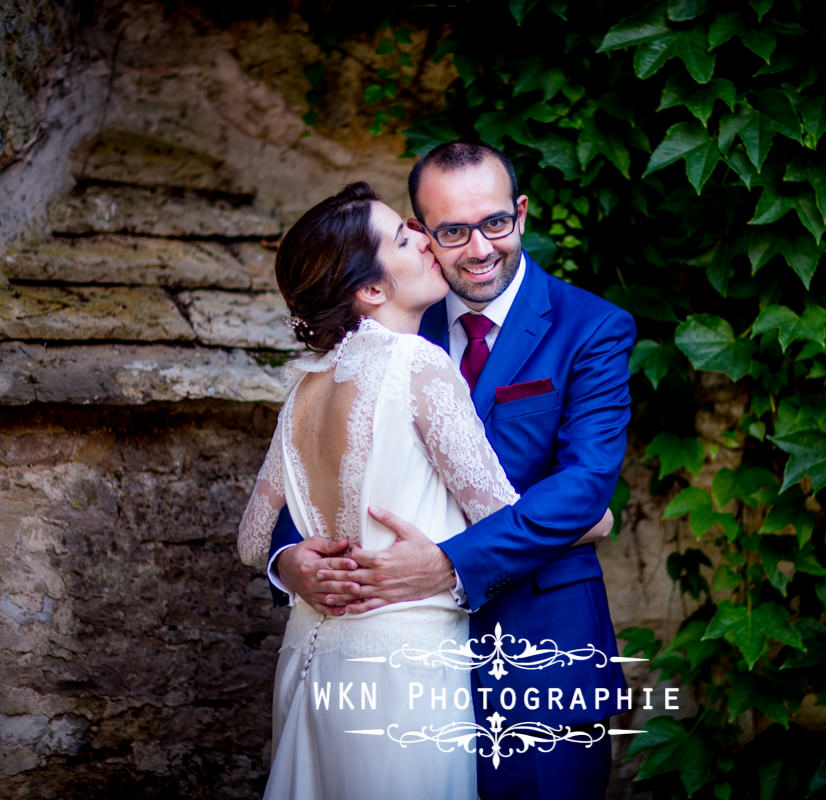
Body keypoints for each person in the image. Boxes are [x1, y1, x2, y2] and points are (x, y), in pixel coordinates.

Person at [268, 142, 636, 799]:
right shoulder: (394, 316)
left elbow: (584, 488)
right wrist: (289, 559)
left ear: (521, 214)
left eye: (495, 223)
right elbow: (311, 463)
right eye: (452, 232)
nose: (479, 249)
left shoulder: (592, 327)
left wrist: (450, 562)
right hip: (391, 671)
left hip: (537, 653)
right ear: (421, 232)